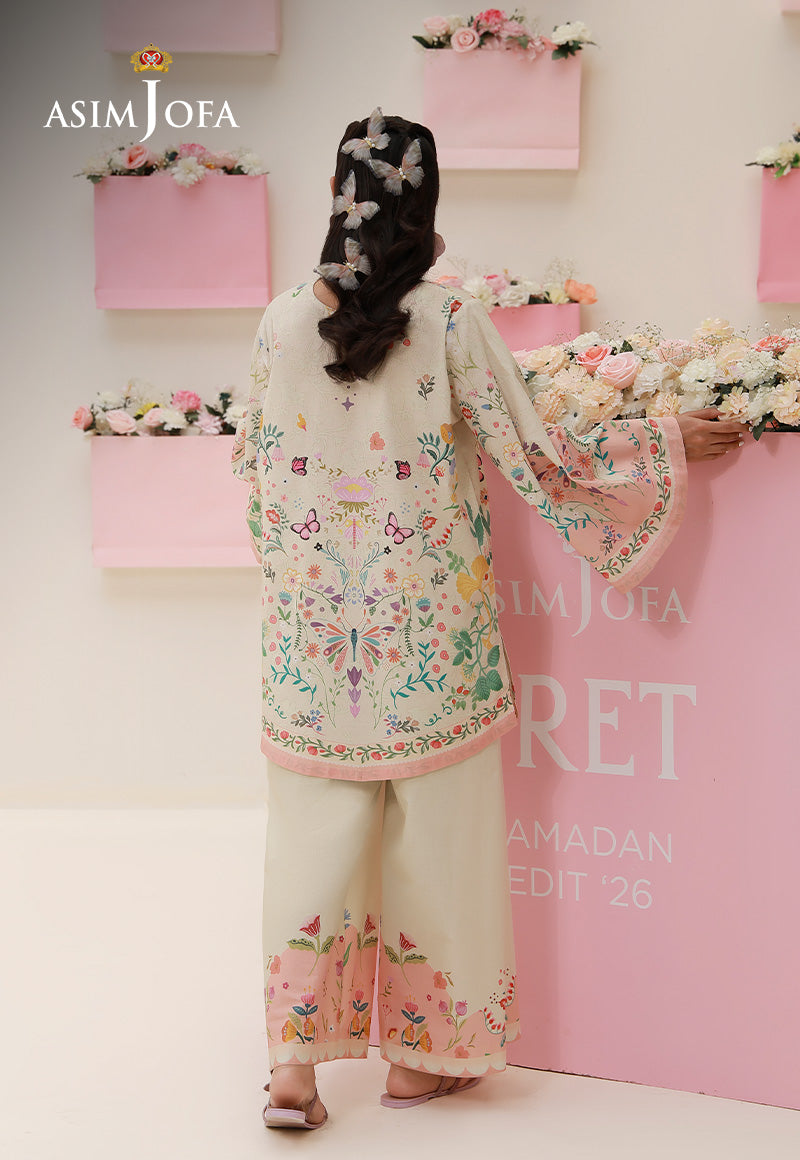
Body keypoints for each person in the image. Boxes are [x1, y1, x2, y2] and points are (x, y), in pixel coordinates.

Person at [231, 110, 744, 1130]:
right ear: (425, 202)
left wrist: (307, 585)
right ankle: (422, 1061)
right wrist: (658, 441)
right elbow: (537, 454)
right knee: (442, 846)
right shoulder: (449, 320)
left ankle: (293, 1067)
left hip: (313, 642)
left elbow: (253, 470)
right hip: (432, 640)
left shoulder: (280, 321)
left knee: (308, 845)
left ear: (335, 194)